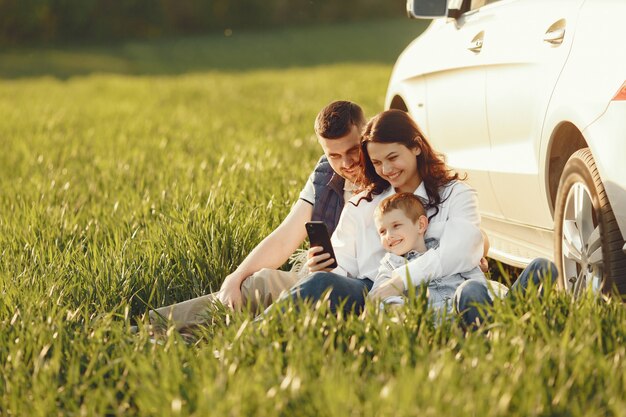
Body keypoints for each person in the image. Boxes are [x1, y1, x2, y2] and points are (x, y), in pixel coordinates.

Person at [149, 100, 366, 329]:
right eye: (334, 155)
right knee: (254, 285)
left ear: (366, 136)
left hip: (351, 283)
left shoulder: (387, 173)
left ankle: (237, 338)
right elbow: (284, 239)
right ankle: (150, 328)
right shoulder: (325, 174)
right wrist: (235, 277)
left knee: (304, 289)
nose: (346, 163)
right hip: (316, 274)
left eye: (353, 151)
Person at [283, 109, 484, 315]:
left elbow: (464, 248)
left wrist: (400, 280)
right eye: (377, 163)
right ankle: (254, 336)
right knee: (319, 282)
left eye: (392, 157)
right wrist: (323, 268)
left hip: (450, 292)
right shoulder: (361, 205)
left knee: (475, 292)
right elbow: (341, 268)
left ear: (416, 147)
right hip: (377, 295)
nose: (386, 170)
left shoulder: (455, 193)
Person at [372, 192, 487, 312]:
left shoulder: (444, 249)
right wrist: (397, 307)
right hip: (429, 321)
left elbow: (476, 279)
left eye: (396, 226)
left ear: (421, 225)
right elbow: (379, 294)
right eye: (382, 232)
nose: (389, 235)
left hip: (462, 312)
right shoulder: (390, 265)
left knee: (471, 288)